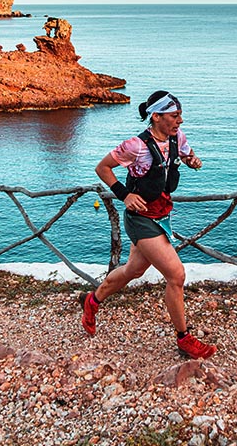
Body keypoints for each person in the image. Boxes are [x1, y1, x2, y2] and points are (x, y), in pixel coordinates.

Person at [81, 90, 217, 360]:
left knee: (133, 271)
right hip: (141, 220)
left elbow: (187, 157)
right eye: (174, 116)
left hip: (162, 215)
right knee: (176, 275)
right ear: (156, 116)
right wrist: (124, 195)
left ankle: (92, 301)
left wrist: (193, 162)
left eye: (180, 115)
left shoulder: (177, 139)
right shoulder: (136, 146)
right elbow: (102, 168)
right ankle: (184, 338)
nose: (180, 121)